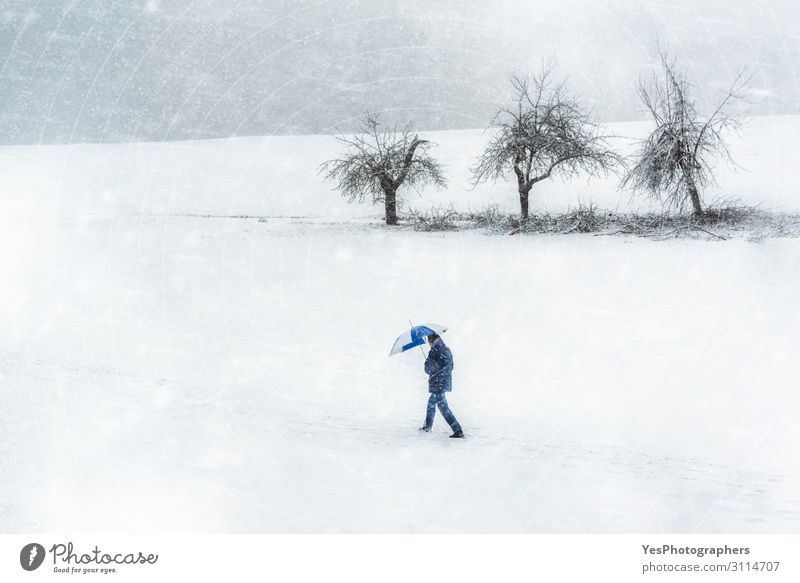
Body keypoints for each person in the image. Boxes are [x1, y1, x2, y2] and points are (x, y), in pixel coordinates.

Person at [419, 333, 464, 438]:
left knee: (442, 407)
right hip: (444, 382)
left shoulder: (434, 351)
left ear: (432, 339)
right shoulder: (446, 349)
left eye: (428, 340)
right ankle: (427, 426)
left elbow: (428, 369)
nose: (428, 343)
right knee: (432, 403)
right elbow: (451, 366)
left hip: (437, 383)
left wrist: (427, 363)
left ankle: (457, 429)